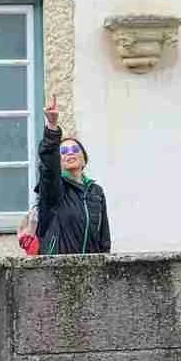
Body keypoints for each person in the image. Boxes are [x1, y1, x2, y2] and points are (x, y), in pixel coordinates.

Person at [35, 97, 112, 255]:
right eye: (63, 152)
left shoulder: (96, 192)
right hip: (58, 269)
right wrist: (52, 126)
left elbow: (104, 238)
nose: (69, 154)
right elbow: (49, 166)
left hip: (91, 270)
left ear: (84, 159)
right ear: (59, 161)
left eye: (74, 150)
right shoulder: (55, 188)